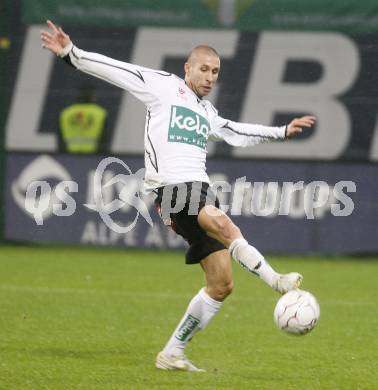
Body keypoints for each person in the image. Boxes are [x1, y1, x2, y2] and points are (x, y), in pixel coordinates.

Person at [41, 20, 316, 372]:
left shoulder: (206, 112)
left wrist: (281, 132)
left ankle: (172, 353)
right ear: (188, 68)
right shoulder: (164, 87)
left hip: (199, 188)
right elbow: (117, 71)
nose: (210, 76)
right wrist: (70, 53)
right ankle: (277, 281)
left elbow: (235, 130)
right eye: (204, 68)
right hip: (171, 188)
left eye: (215, 71)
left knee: (221, 284)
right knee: (221, 222)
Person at [59, 84, 108, 153]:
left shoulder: (67, 112)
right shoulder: (100, 112)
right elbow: (104, 138)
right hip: (94, 156)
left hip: (69, 155)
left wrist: (62, 154)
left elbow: (60, 138)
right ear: (92, 96)